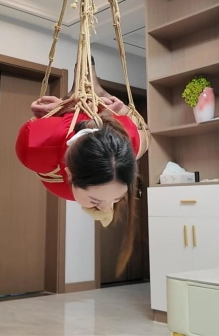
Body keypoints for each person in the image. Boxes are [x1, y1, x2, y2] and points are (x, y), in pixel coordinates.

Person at [15, 58, 149, 274]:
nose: (105, 208)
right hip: (80, 124)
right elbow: (146, 131)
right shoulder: (36, 147)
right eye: (97, 200)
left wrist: (57, 110)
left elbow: (145, 133)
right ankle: (90, 88)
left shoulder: (128, 139)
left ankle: (91, 88)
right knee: (108, 109)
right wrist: (123, 112)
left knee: (101, 105)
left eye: (116, 198)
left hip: (86, 123)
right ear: (68, 174)